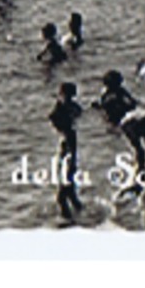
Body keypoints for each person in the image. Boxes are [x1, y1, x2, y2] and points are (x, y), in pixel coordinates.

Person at [49, 81, 84, 221]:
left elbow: (52, 117)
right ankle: (78, 212)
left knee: (62, 195)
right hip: (71, 147)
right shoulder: (73, 109)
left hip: (66, 148)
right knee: (70, 189)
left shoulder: (61, 110)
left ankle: (68, 219)